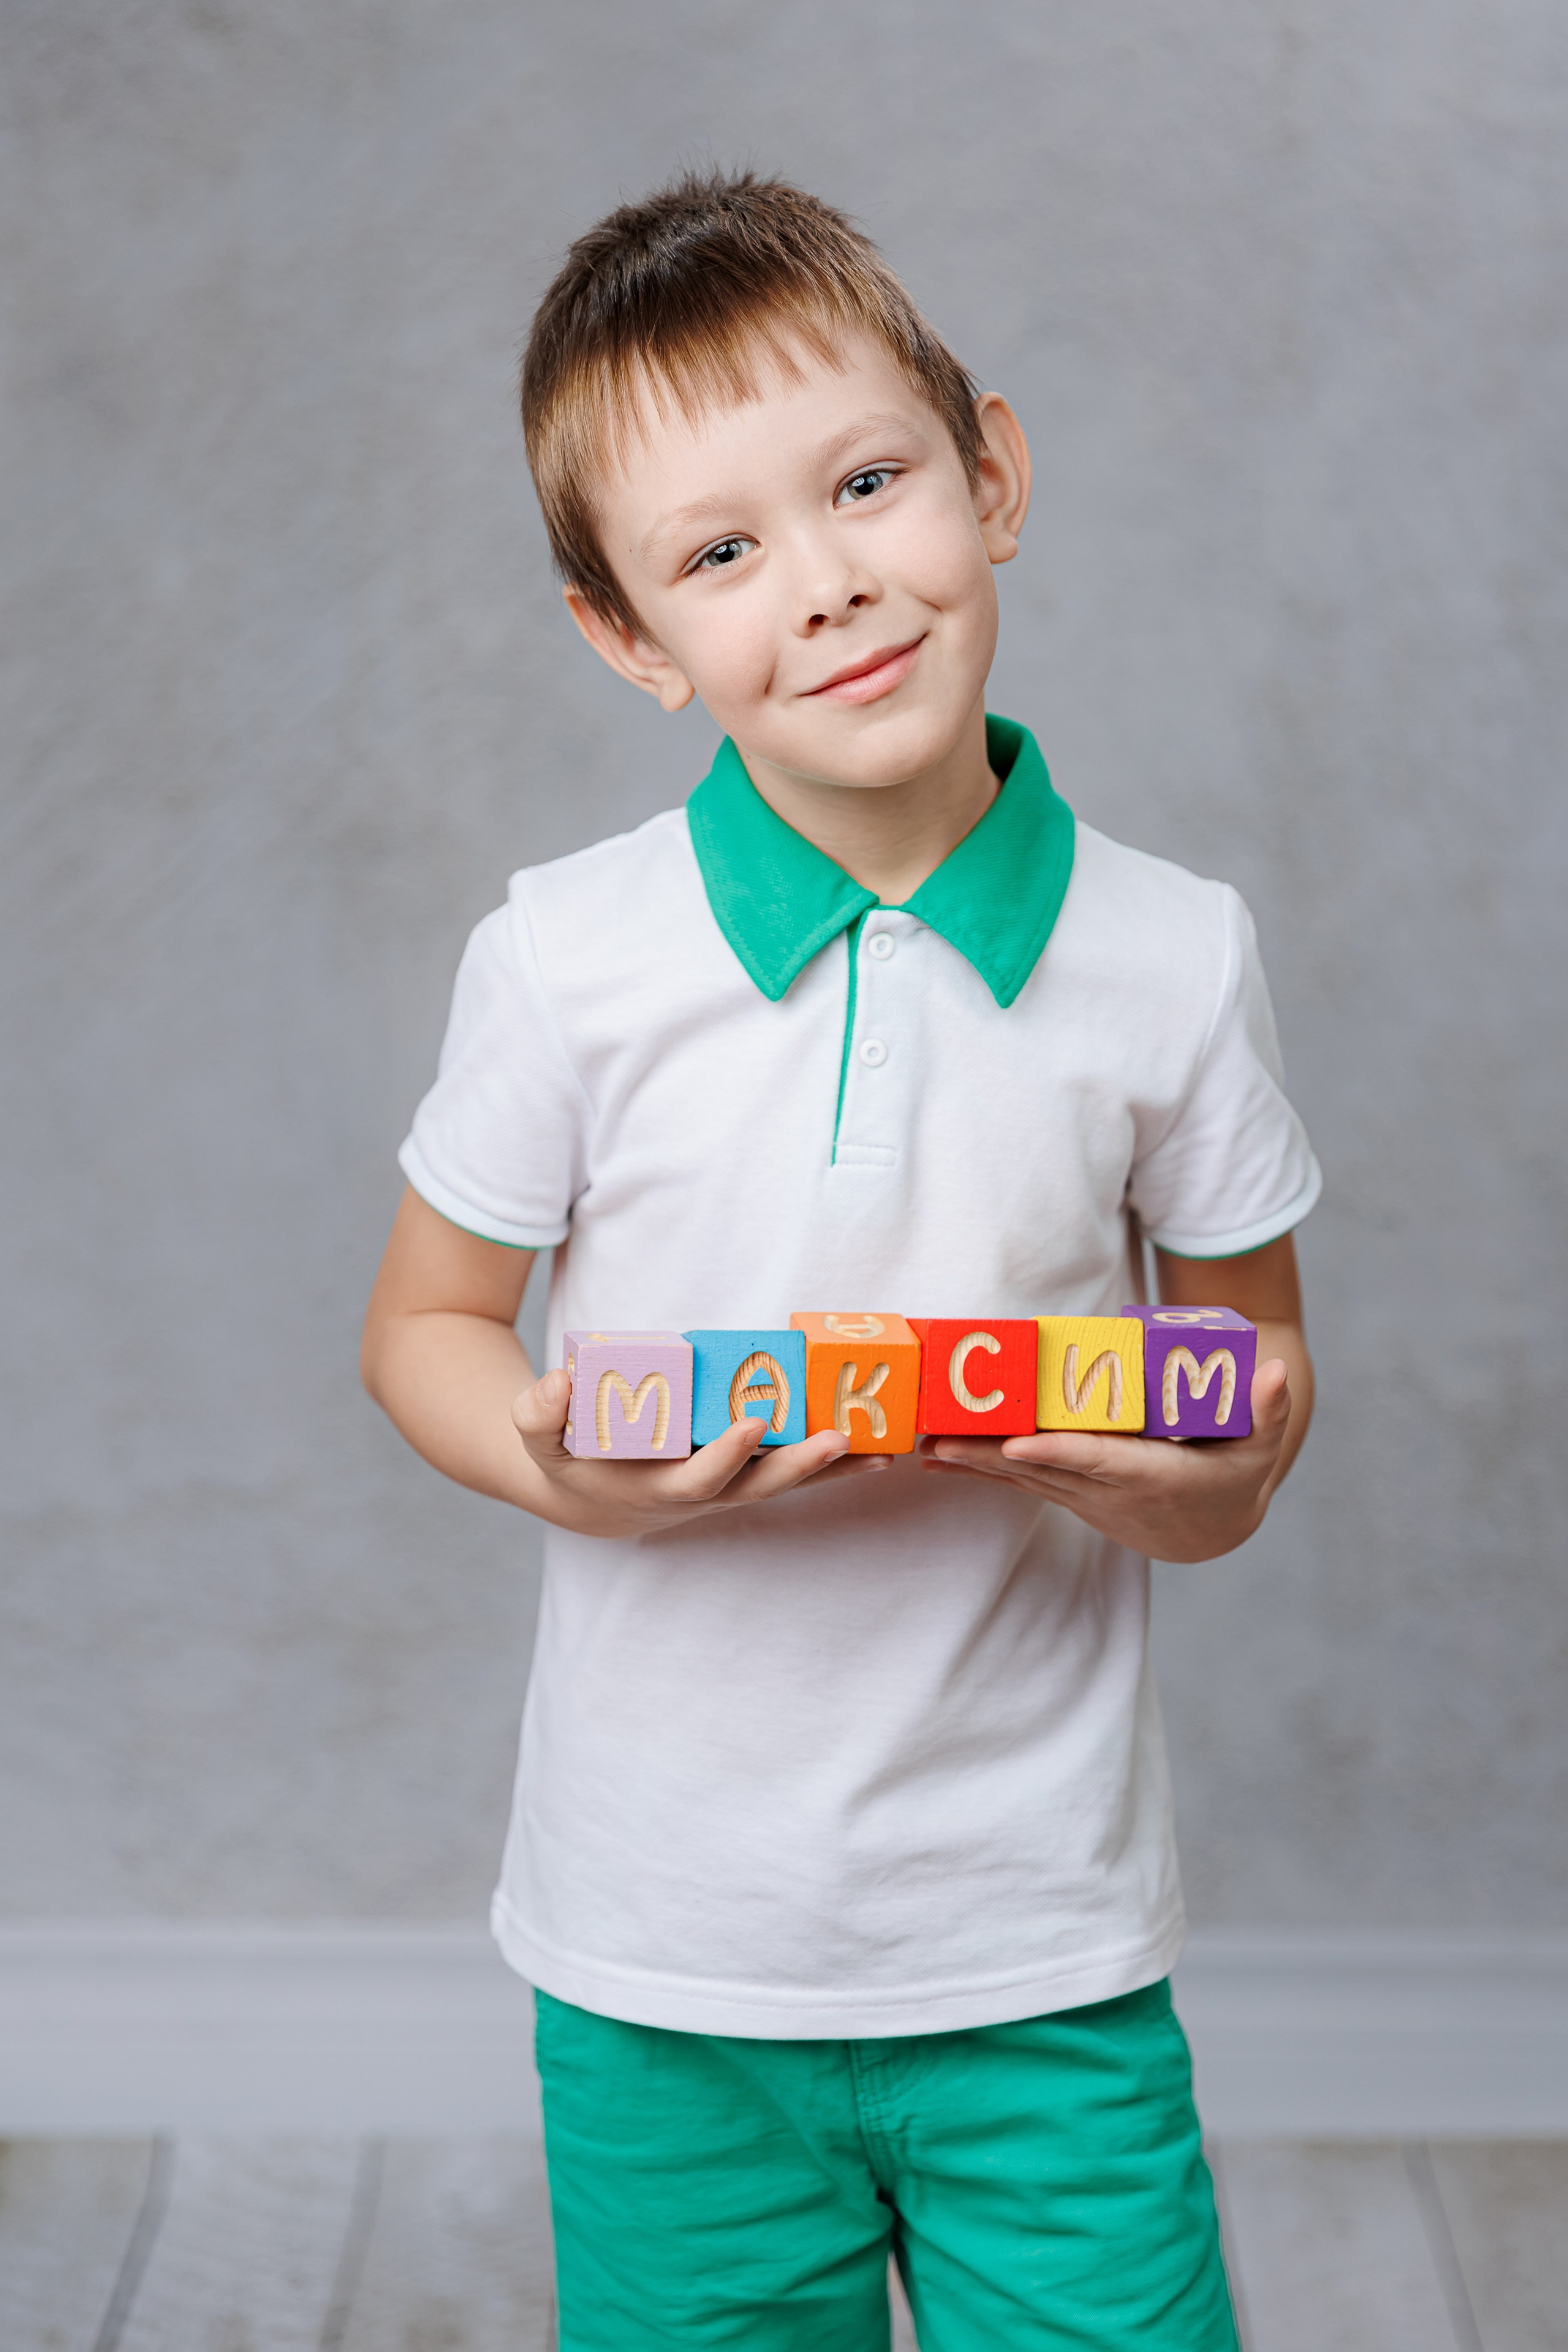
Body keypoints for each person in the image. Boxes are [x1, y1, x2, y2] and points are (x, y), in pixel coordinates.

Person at [361, 169, 1319, 2351]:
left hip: (1044, 1949)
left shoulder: (1176, 956)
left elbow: (1254, 1409)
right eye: (722, 553)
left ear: (989, 474)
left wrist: (1172, 1473)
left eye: (869, 481)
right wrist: (553, 1464)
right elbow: (422, 1328)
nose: (830, 586)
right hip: (663, 1963)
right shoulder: (568, 959)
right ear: (631, 637)